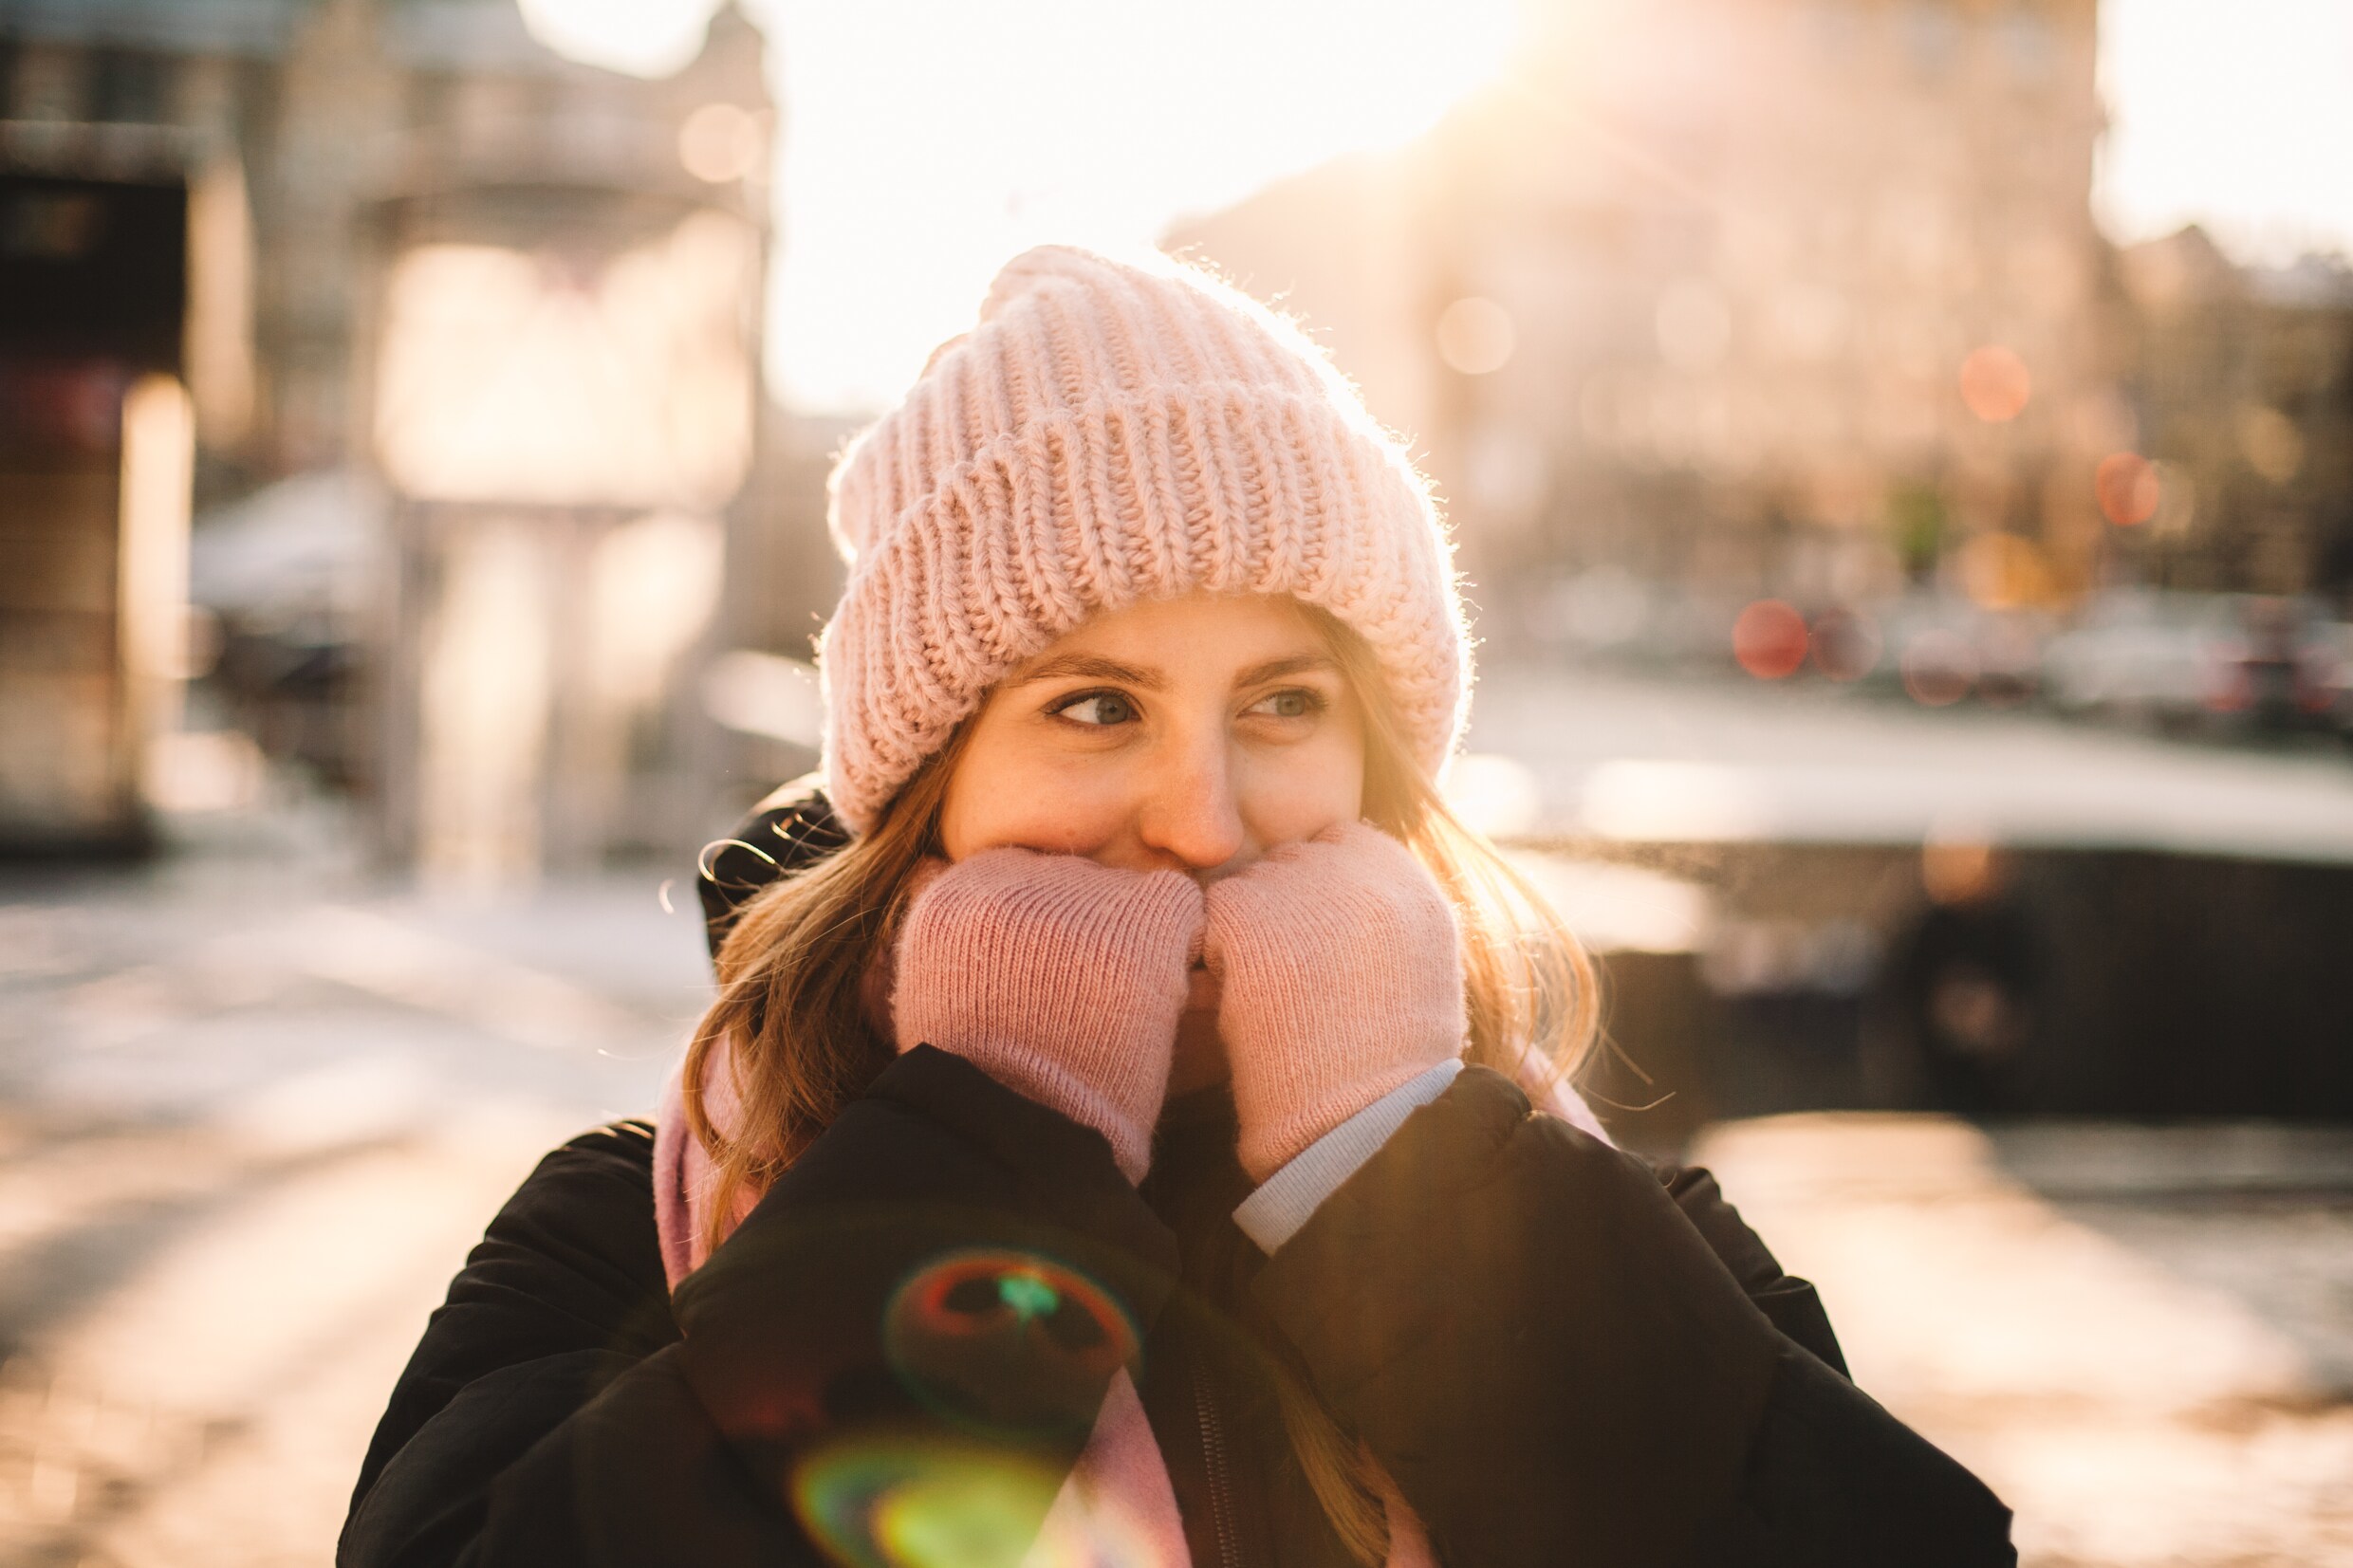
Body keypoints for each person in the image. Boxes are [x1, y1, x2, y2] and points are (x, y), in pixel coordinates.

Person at [341, 247, 2015, 1568]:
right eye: (1094, 707)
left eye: (1284, 704)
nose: (1203, 822)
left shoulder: (1607, 1221)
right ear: (932, 783)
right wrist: (992, 1157)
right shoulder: (615, 1234)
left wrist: (1395, 1180)